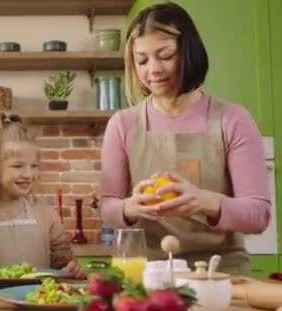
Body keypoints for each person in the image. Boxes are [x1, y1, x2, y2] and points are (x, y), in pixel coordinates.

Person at [99, 2, 270, 275]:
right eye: (141, 60)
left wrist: (204, 201)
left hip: (221, 273)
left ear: (188, 51)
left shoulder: (232, 119)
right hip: (148, 273)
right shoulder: (122, 124)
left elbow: (259, 216)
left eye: (165, 55)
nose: (153, 69)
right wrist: (130, 208)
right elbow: (107, 208)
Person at [0, 112, 83, 277]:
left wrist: (70, 268)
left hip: (38, 300)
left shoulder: (46, 214)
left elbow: (62, 260)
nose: (29, 174)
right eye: (18, 166)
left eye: (34, 166)